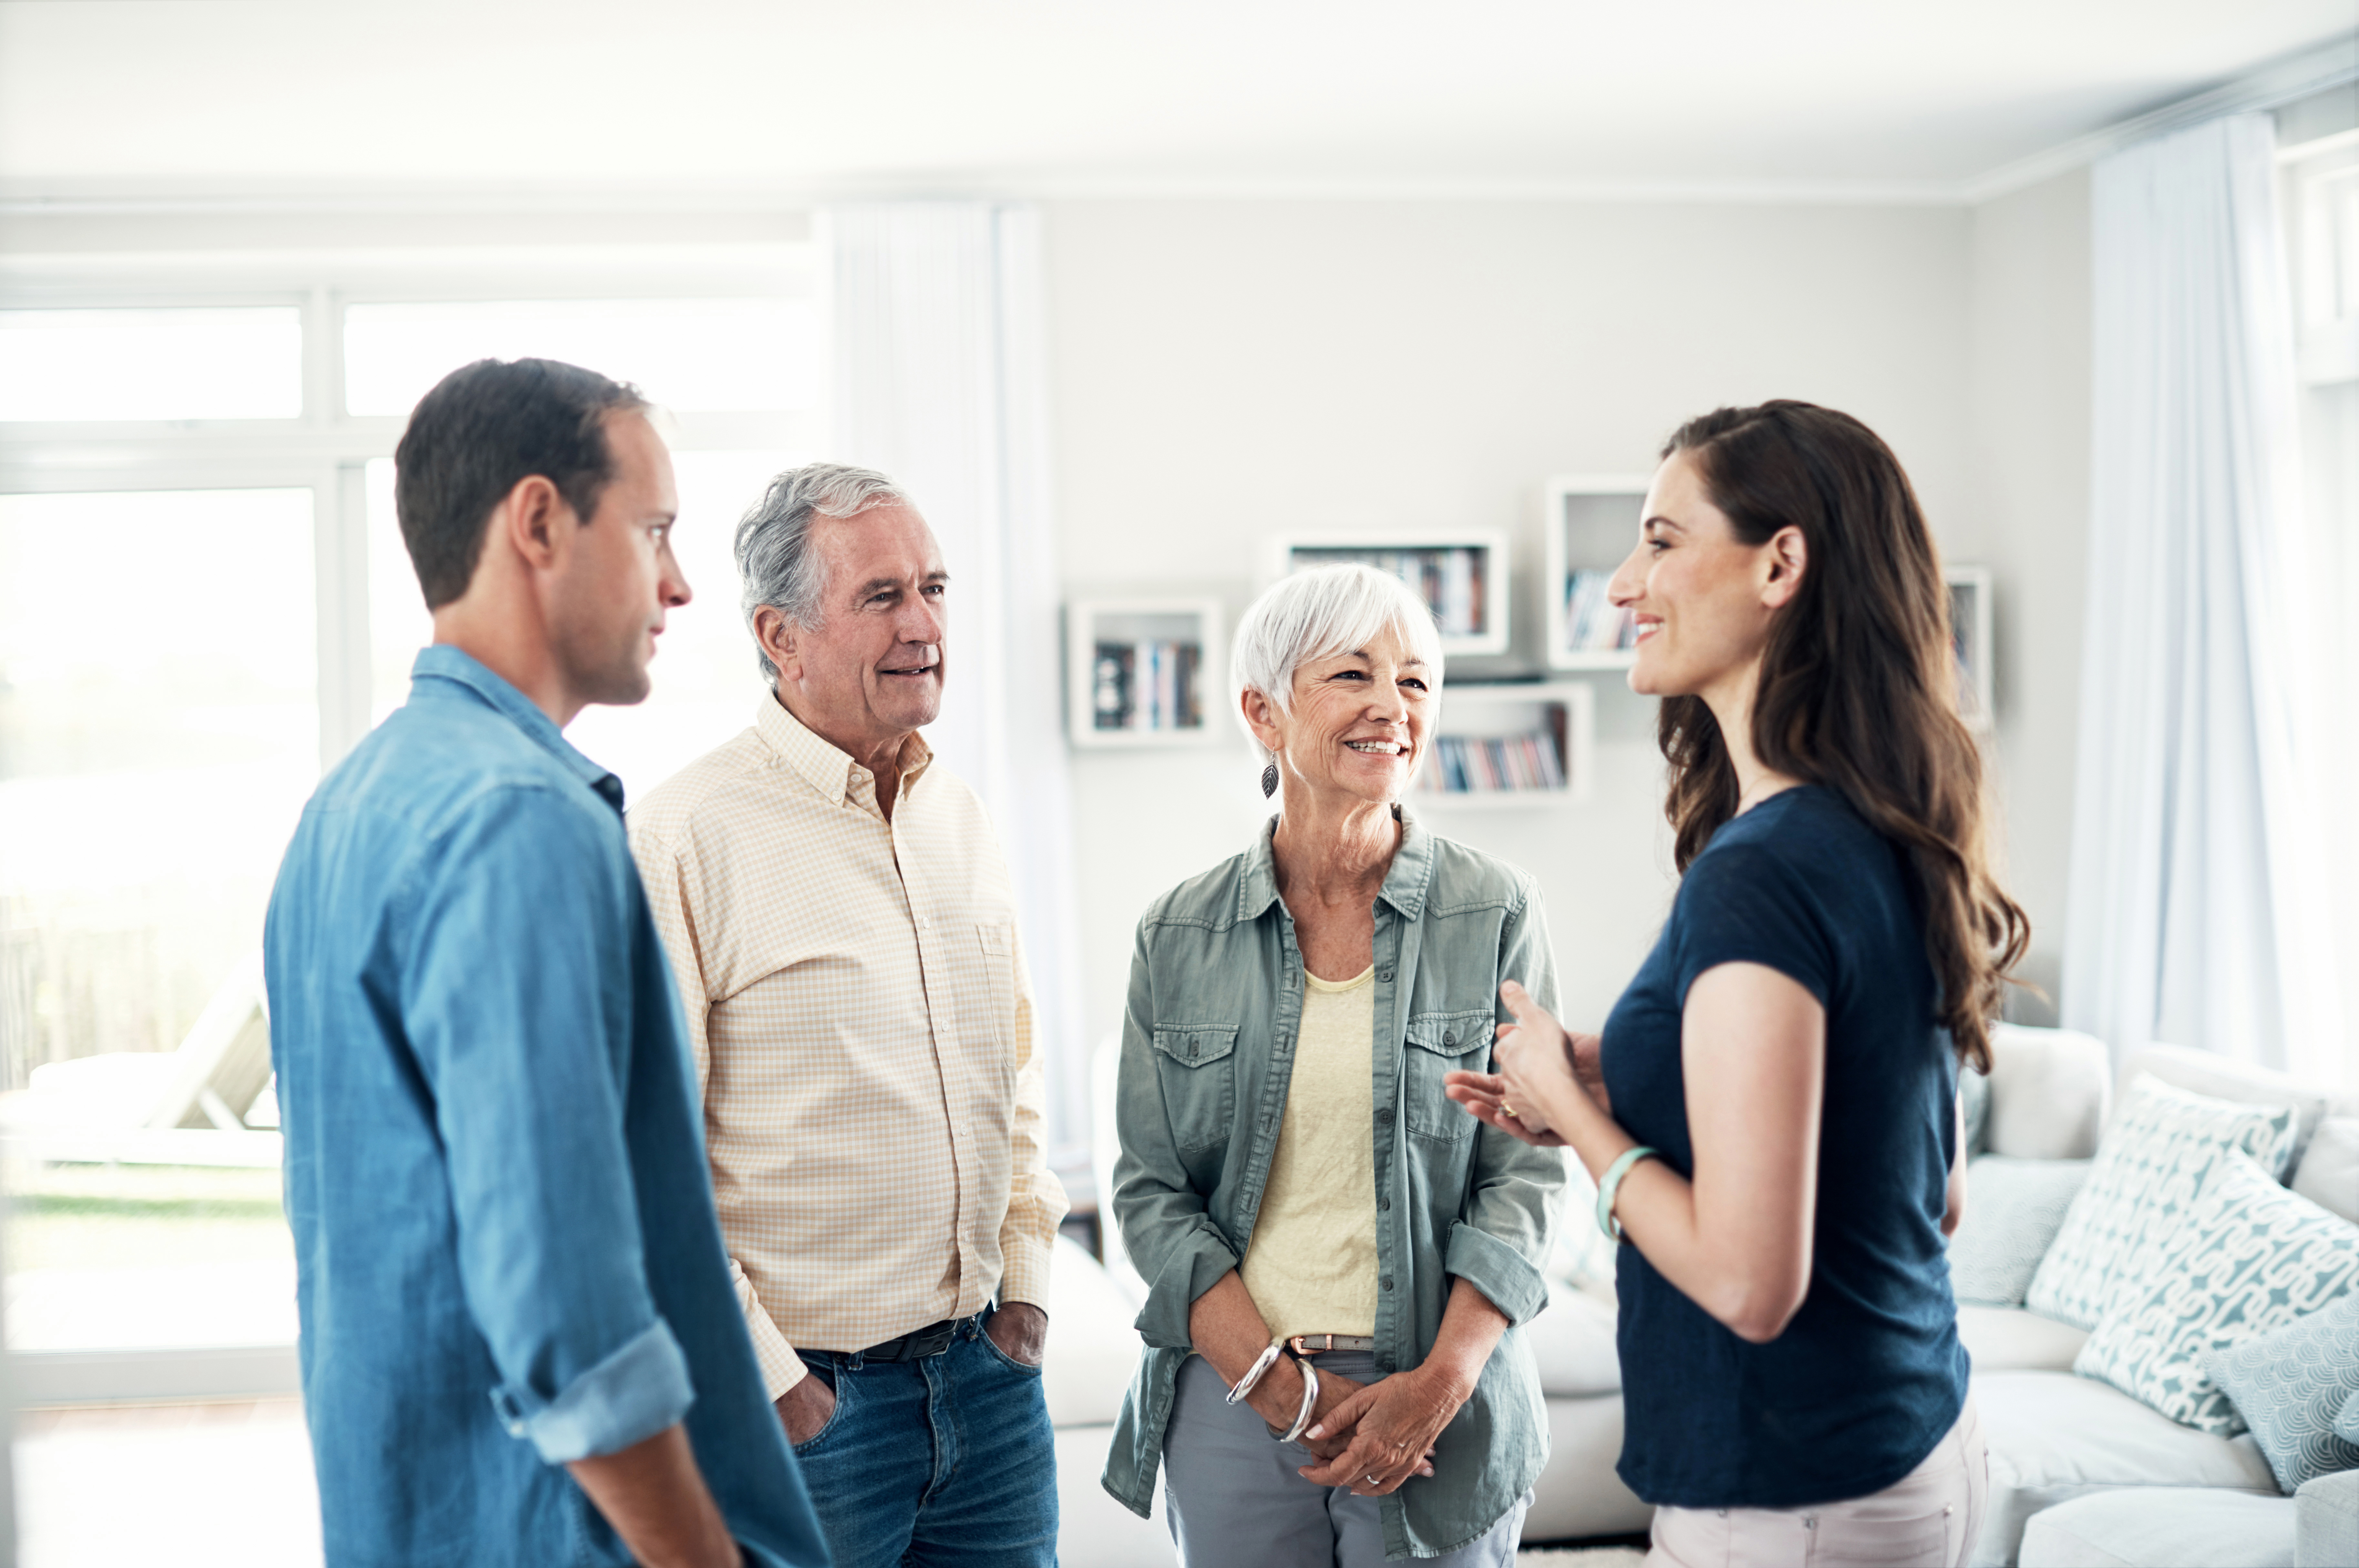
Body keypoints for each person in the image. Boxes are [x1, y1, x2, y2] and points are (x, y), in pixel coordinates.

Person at [263, 358, 829, 1568]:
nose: (679, 585)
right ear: (537, 521)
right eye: (655, 531)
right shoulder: (520, 821)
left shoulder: (348, 808)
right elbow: (572, 1325)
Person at [1448, 401, 2028, 1568]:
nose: (1620, 584)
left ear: (1781, 562)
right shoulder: (1886, 833)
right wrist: (1613, 1070)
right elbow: (1929, 1186)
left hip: (1795, 1499)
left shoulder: (1759, 875)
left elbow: (1750, 1285)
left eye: (1660, 540)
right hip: (1912, 1444)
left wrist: (1575, 1116)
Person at [628, 462, 1067, 1568]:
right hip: (813, 1411)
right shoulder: (682, 835)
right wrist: (774, 1381)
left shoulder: (958, 814)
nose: (924, 623)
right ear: (780, 633)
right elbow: (646, 1157)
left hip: (991, 1387)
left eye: (934, 587)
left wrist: (1027, 1293)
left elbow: (1010, 1070)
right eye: (882, 596)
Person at [1101, 563, 1566, 1567]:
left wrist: (1439, 1385)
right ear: (1262, 712)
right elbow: (1148, 1193)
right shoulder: (1176, 931)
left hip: (1442, 1390)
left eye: (1415, 682)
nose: (1391, 708)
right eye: (1352, 674)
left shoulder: (1496, 910)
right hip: (1235, 1392)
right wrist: (1281, 1389)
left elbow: (1524, 1175)